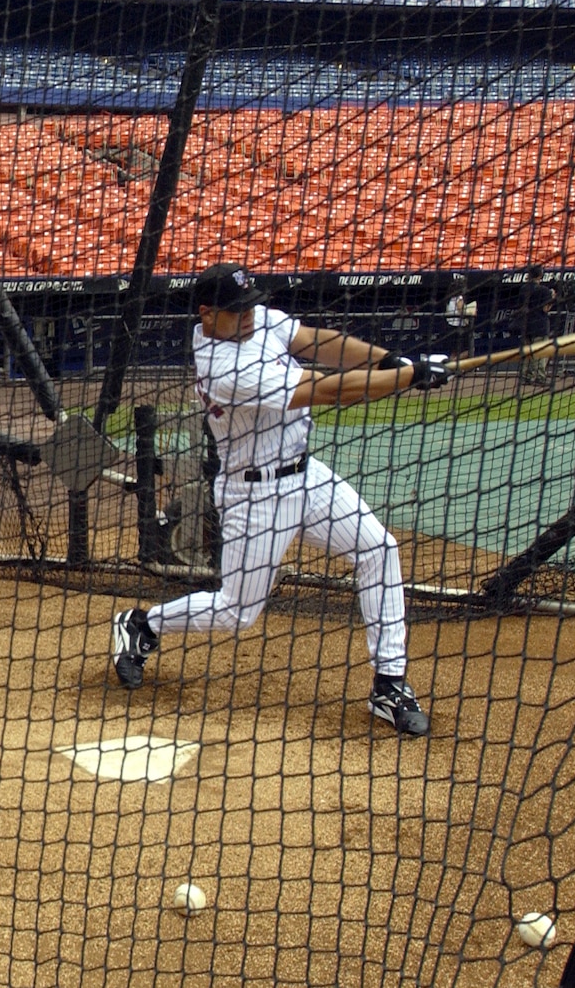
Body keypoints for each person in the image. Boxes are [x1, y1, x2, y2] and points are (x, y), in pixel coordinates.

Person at [109, 263, 445, 737]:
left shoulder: (255, 319)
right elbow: (323, 390)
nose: (250, 315)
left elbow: (316, 341)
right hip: (254, 495)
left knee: (379, 548)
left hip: (306, 476)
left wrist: (390, 359)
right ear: (208, 314)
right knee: (237, 612)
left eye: (250, 305)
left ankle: (389, 684)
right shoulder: (225, 369)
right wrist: (407, 380)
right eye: (237, 310)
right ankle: (143, 625)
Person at [517, 264, 557, 386]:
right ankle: (540, 378)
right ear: (540, 275)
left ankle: (525, 377)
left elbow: (520, 307)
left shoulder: (523, 289)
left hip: (526, 324)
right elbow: (546, 309)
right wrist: (552, 298)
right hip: (539, 324)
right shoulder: (544, 290)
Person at [442, 275, 477, 360]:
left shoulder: (450, 297)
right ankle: (453, 364)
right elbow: (461, 311)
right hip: (458, 328)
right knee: (470, 350)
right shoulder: (459, 298)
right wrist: (470, 314)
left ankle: (451, 368)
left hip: (451, 327)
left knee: (454, 352)